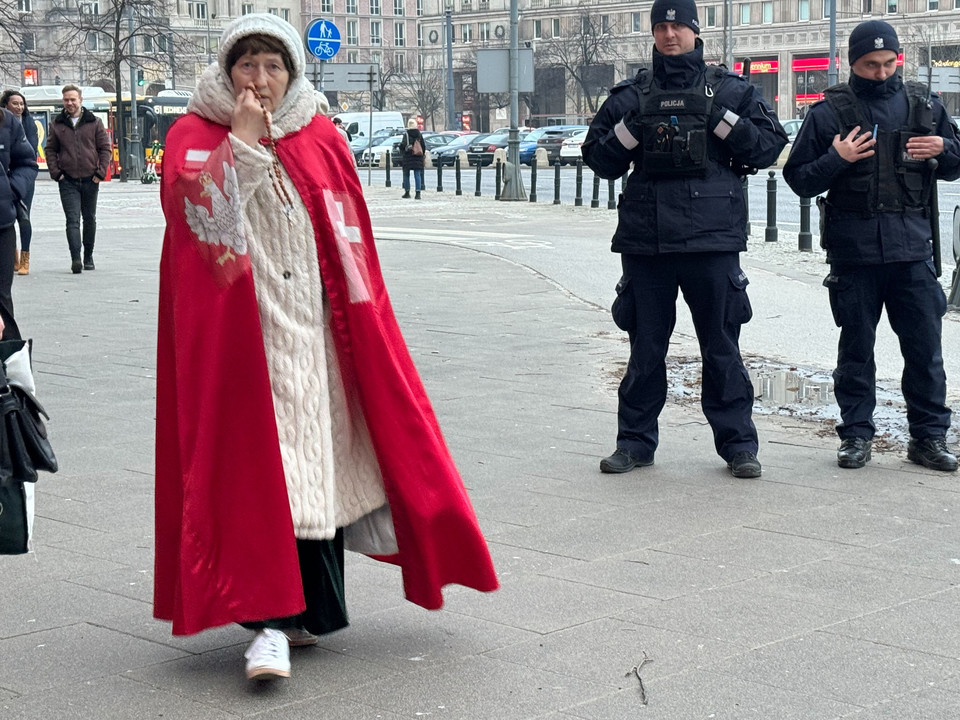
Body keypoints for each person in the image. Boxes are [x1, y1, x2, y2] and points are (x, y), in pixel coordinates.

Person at [155, 13, 497, 682]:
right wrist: (246, 146)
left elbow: (349, 232)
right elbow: (202, 230)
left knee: (317, 466)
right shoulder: (195, 135)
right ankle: (268, 623)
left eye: (273, 65)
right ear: (227, 71)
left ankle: (309, 611)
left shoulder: (318, 134)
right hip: (243, 340)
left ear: (292, 72)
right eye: (247, 64)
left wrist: (364, 328)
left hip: (321, 332)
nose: (260, 79)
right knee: (263, 471)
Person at [581, 0, 787, 478]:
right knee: (646, 348)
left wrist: (719, 118)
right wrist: (635, 128)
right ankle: (634, 443)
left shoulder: (730, 90)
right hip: (647, 243)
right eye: (661, 26)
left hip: (711, 243)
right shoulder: (631, 95)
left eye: (677, 25)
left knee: (721, 348)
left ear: (696, 31)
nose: (669, 34)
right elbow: (600, 160)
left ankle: (738, 446)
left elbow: (768, 146)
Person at [784, 20, 960, 472]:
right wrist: (835, 159)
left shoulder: (924, 105)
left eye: (888, 63)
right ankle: (856, 436)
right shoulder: (829, 113)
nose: (881, 73)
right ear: (851, 62)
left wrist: (943, 148)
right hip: (855, 255)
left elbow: (955, 165)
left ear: (897, 58)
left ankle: (928, 438)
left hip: (913, 254)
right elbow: (799, 179)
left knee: (925, 353)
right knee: (856, 351)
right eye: (870, 65)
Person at [45, 84, 111, 274]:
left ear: (80, 100)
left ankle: (88, 256)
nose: (70, 103)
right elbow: (50, 150)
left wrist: (100, 172)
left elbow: (104, 149)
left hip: (91, 179)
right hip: (68, 181)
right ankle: (75, 258)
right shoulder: (57, 124)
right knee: (72, 220)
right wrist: (56, 173)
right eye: (66, 100)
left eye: (73, 99)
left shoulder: (94, 122)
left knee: (89, 218)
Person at [0, 105, 37, 339]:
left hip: (1, 224)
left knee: (2, 298)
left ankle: (7, 361)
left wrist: (10, 190)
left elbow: (27, 162)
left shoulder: (7, 122)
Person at [0, 91, 38, 276]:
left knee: (23, 217)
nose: (19, 107)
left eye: (22, 104)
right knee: (7, 222)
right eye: (15, 103)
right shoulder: (4, 122)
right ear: (6, 105)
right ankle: (12, 257)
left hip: (19, 184)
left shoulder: (28, 124)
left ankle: (25, 257)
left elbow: (29, 155)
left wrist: (13, 188)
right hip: (5, 183)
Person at [398, 118, 425, 199]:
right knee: (417, 174)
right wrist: (422, 155)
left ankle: (407, 192)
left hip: (408, 157)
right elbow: (423, 146)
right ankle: (418, 193)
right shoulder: (419, 134)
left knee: (406, 174)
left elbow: (403, 145)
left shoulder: (406, 134)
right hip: (418, 157)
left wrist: (402, 150)